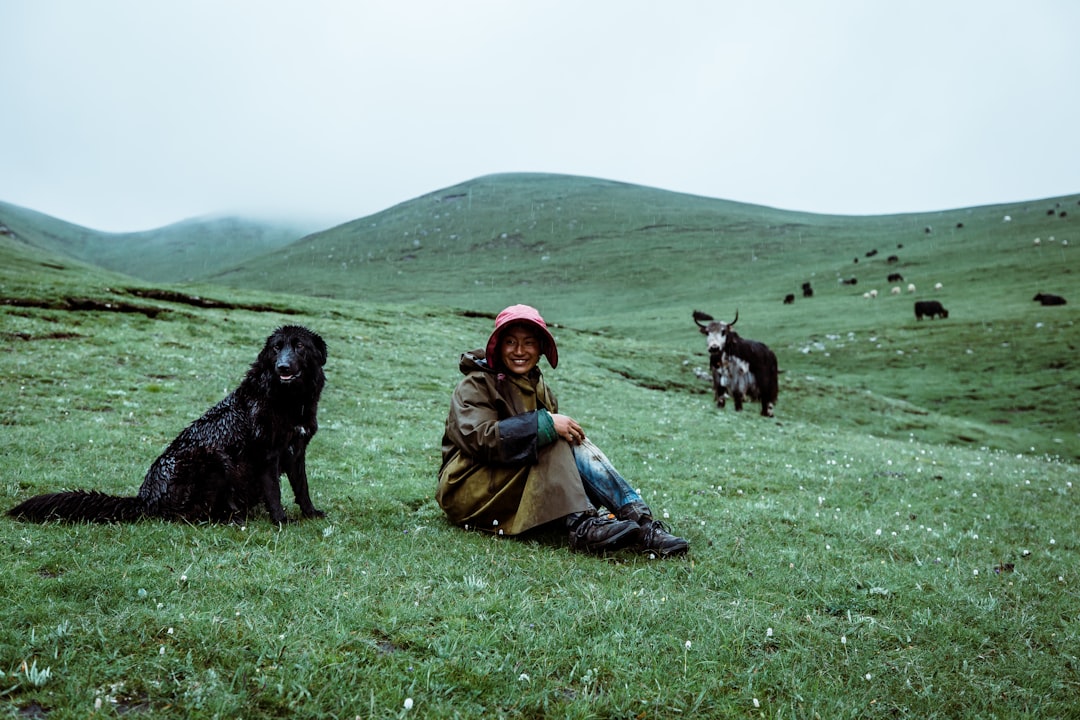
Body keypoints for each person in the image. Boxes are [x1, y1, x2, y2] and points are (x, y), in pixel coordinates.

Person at [436, 304, 689, 557]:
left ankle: (642, 524)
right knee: (553, 435)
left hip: (511, 482)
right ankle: (582, 524)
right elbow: (479, 438)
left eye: (529, 343)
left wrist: (547, 425)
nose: (519, 351)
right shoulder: (475, 384)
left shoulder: (541, 389)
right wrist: (544, 424)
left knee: (569, 437)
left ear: (542, 349)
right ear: (498, 347)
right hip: (468, 488)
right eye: (510, 342)